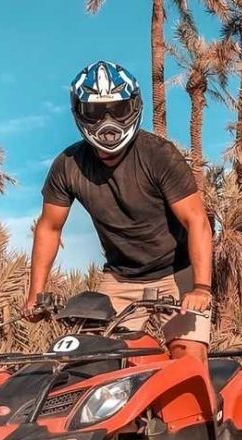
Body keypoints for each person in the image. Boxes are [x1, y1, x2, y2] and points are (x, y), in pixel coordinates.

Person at [24, 60, 213, 362]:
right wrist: (36, 292)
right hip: (120, 278)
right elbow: (49, 227)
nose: (107, 122)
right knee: (96, 363)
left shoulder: (159, 155)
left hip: (178, 274)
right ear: (79, 113)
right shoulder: (68, 165)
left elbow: (197, 221)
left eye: (118, 109)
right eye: (95, 112)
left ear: (134, 107)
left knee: (188, 362)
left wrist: (201, 288)